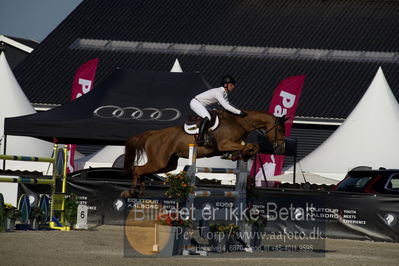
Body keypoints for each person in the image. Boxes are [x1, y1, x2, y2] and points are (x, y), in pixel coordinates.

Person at [190, 75, 247, 145]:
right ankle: (200, 138)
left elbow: (228, 105)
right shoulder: (218, 92)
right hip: (196, 103)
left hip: (203, 105)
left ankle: (208, 134)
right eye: (231, 85)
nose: (233, 87)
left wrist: (238, 111)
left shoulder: (225, 94)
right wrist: (239, 112)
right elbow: (226, 106)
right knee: (208, 117)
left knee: (215, 115)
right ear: (225, 85)